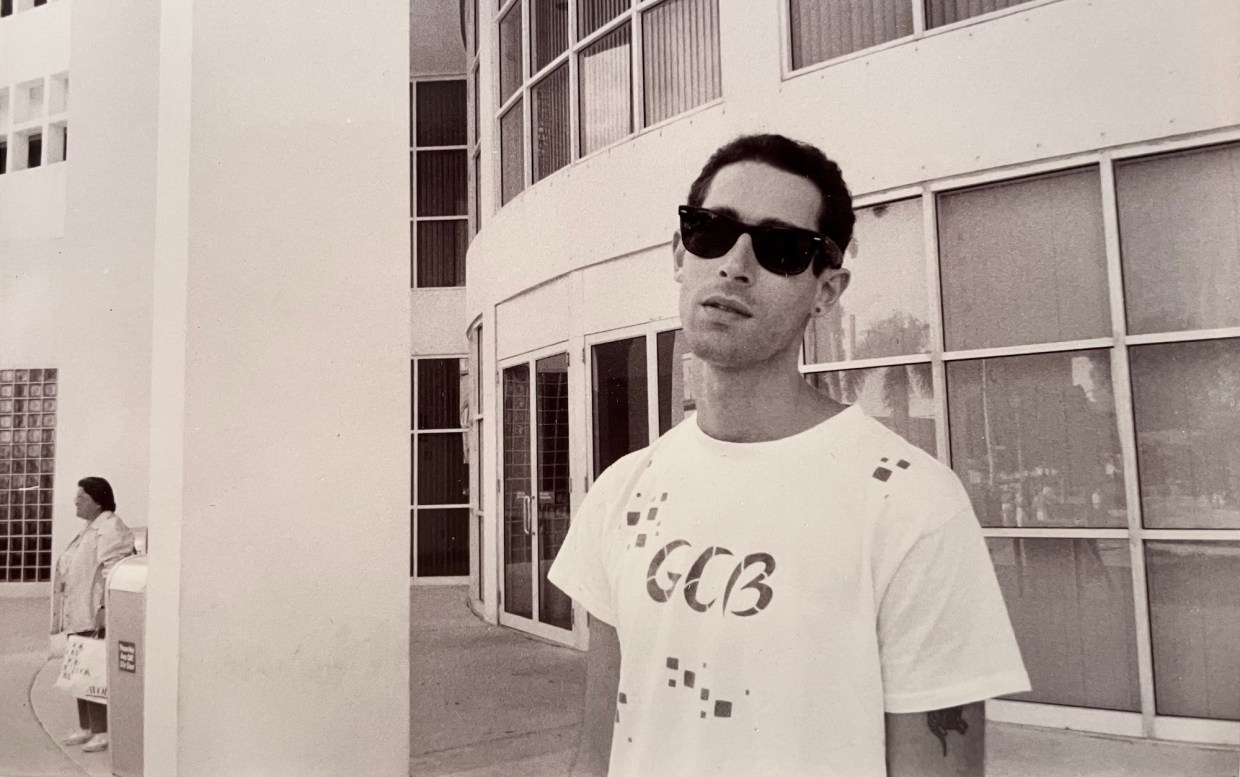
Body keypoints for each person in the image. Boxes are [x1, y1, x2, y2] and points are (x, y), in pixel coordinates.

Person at [547, 134, 1030, 777]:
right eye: (712, 231)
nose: (735, 265)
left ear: (826, 291)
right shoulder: (623, 490)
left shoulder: (908, 502)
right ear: (680, 254)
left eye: (780, 248)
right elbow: (602, 748)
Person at [51, 476, 135, 754]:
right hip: (78, 612)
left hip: (94, 612)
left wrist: (104, 609)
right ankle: (86, 727)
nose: (76, 501)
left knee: (94, 669)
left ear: (98, 501)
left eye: (82, 497)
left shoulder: (110, 527)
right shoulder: (90, 528)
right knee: (80, 667)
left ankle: (102, 730)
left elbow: (115, 570)